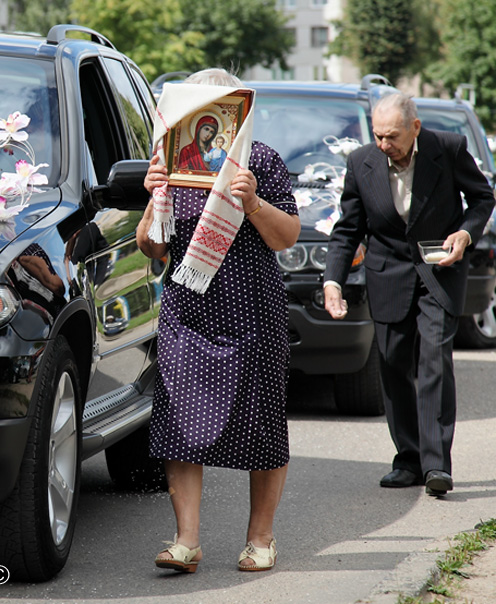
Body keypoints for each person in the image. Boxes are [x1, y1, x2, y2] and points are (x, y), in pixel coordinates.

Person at [137, 67, 300, 573]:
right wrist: (153, 197)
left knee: (262, 421)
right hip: (189, 309)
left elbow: (287, 236)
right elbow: (153, 248)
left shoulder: (261, 162)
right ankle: (186, 540)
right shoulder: (171, 161)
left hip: (252, 308)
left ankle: (260, 539)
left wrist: (250, 202)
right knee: (179, 420)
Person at [323, 92, 495, 497]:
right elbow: (348, 229)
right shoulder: (361, 161)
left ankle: (437, 465)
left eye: (393, 137)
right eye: (379, 136)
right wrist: (333, 281)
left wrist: (465, 233)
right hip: (388, 274)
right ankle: (409, 459)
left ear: (415, 127)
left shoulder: (447, 148)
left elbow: (483, 198)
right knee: (394, 365)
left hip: (440, 270)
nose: (385, 145)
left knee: (435, 359)